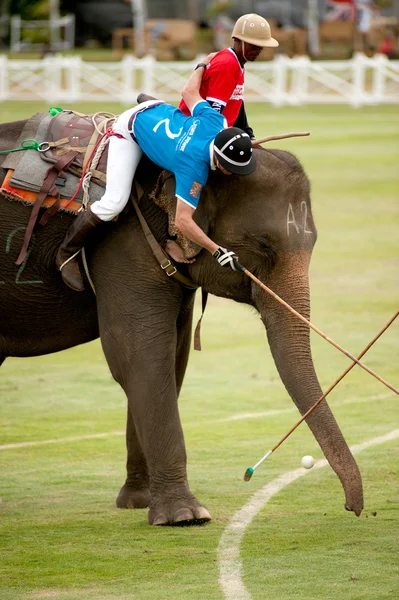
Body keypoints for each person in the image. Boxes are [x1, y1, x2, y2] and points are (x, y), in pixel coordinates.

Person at [56, 54, 256, 292]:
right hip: (129, 130)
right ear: (219, 160)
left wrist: (201, 65)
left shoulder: (216, 121)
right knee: (114, 202)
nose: (231, 173)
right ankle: (66, 253)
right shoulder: (193, 168)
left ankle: (148, 107)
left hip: (157, 109)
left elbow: (189, 92)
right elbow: (183, 220)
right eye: (230, 168)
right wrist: (217, 251)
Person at [179, 14, 279, 139]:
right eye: (253, 44)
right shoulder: (227, 64)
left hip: (209, 130)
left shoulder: (237, 62)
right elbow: (213, 114)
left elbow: (236, 102)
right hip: (194, 134)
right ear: (237, 40)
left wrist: (249, 135)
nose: (258, 49)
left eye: (261, 45)